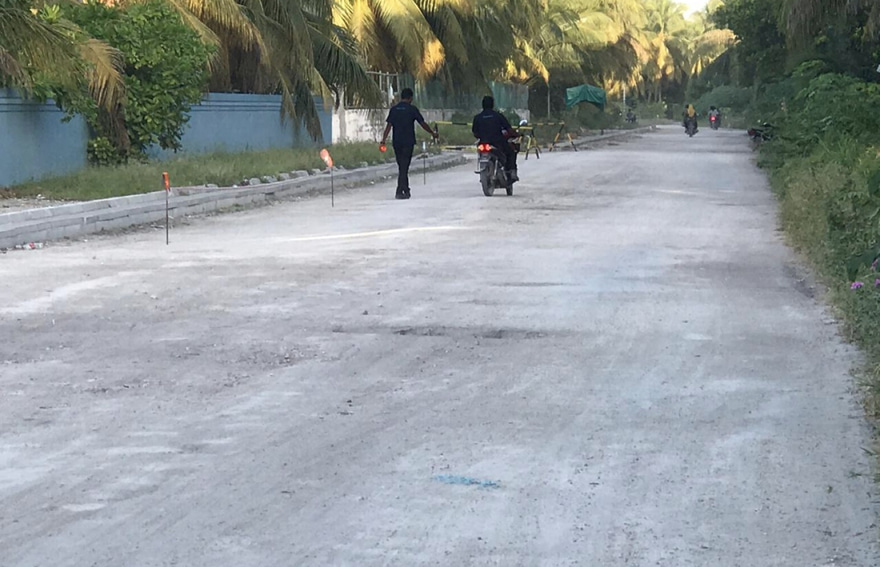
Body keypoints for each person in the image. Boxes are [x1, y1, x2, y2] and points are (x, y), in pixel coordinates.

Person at [380, 88, 438, 200]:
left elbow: (388, 126)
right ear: (410, 98)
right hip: (408, 142)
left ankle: (405, 190)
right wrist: (432, 133)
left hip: (397, 142)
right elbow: (422, 124)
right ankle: (400, 190)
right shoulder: (412, 109)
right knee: (404, 166)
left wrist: (383, 140)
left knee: (402, 166)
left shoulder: (394, 109)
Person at [472, 96, 519, 182]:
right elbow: (508, 129)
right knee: (511, 151)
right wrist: (516, 134)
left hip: (483, 143)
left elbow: (475, 133)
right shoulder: (498, 116)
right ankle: (511, 172)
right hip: (498, 143)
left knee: (480, 153)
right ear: (492, 104)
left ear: (483, 105)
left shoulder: (477, 117)